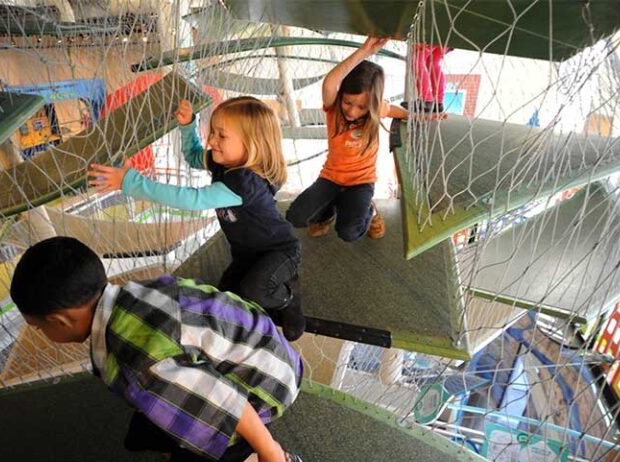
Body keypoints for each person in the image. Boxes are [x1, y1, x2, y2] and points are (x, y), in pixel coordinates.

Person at [9, 236, 305, 462]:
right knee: (142, 432)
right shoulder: (133, 294)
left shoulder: (140, 361)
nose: (40, 332)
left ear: (59, 320)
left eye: (38, 327)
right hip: (264, 354)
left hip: (265, 388)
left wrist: (272, 457)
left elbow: (226, 403)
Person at [87, 96, 305, 341]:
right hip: (246, 255)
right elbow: (192, 155)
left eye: (221, 136)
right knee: (226, 296)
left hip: (279, 251)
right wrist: (188, 125)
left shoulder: (245, 183)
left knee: (253, 290)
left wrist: (131, 183)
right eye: (212, 132)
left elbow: (192, 200)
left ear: (252, 143)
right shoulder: (226, 163)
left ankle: (288, 298)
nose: (211, 140)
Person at [285, 36, 409, 242]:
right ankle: (327, 213)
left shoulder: (377, 111)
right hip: (331, 178)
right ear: (341, 96)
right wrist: (363, 52)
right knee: (296, 217)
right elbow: (329, 84)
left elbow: (401, 113)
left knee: (349, 233)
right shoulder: (334, 110)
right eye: (348, 102)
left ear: (372, 106)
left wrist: (423, 117)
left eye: (361, 107)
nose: (352, 111)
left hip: (361, 182)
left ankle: (370, 210)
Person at [412, 43, 452, 113]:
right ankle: (438, 103)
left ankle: (426, 100)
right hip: (448, 37)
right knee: (433, 62)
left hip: (436, 36)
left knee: (417, 60)